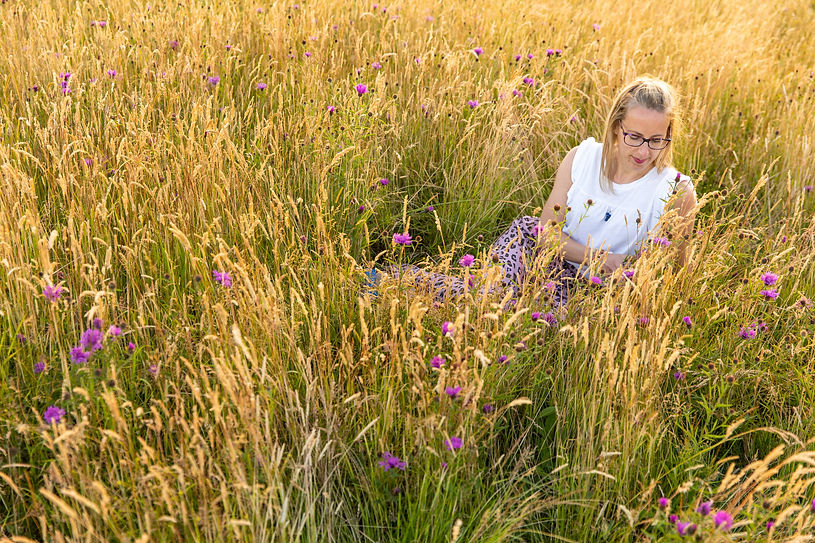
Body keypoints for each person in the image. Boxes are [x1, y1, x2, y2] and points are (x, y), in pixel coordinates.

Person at [368, 76, 698, 306]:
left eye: (658, 140)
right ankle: (389, 283)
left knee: (525, 321)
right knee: (486, 301)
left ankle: (399, 287)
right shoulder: (581, 159)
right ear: (616, 127)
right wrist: (601, 259)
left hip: (597, 293)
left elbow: (676, 274)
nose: (644, 151)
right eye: (634, 137)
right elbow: (545, 234)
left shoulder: (675, 191)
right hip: (542, 257)